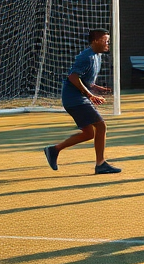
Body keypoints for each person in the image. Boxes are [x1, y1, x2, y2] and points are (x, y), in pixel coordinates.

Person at [44, 29, 120, 175]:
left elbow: (85, 80)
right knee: (101, 126)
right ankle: (101, 164)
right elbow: (73, 77)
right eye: (105, 40)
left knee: (89, 133)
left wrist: (97, 88)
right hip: (74, 99)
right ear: (95, 41)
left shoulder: (97, 56)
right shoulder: (86, 57)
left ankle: (54, 150)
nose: (107, 44)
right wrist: (91, 95)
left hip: (78, 99)